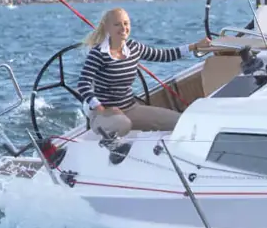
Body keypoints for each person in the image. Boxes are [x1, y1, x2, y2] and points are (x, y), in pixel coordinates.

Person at [76, 8, 210, 141]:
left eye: (126, 23)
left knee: (180, 122)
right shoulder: (98, 53)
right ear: (107, 28)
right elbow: (83, 84)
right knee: (123, 124)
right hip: (103, 114)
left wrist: (194, 46)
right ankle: (107, 141)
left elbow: (164, 55)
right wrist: (100, 108)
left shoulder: (134, 47)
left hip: (130, 109)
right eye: (117, 24)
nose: (123, 28)